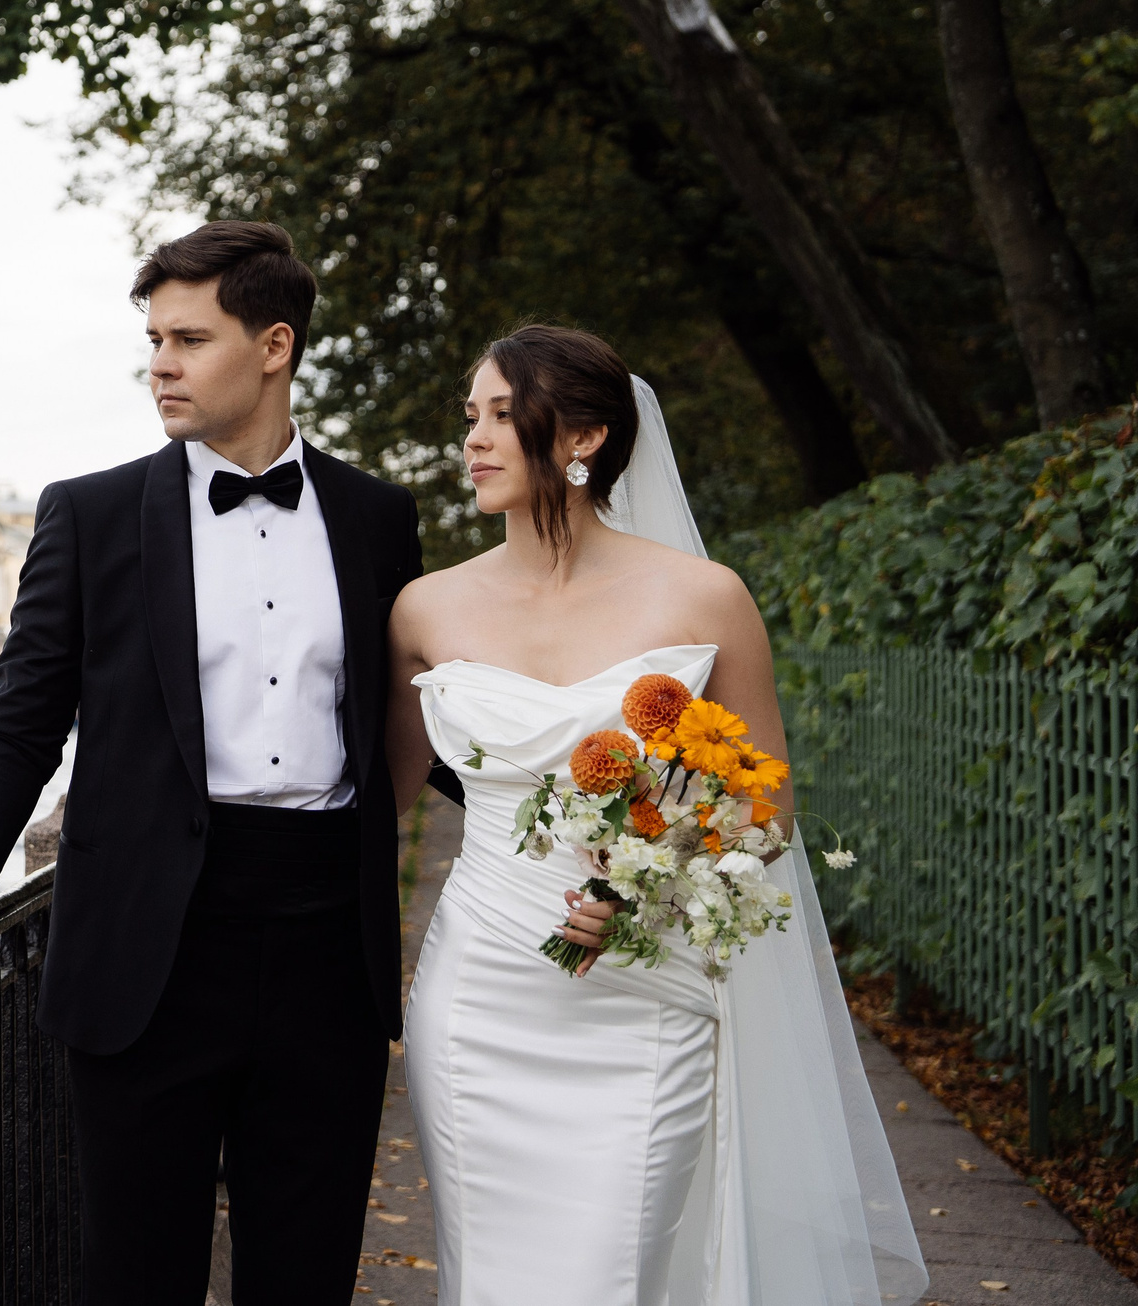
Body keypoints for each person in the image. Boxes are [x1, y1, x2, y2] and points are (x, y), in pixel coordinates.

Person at [0, 220, 431, 1305]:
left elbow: (427, 714)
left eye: (189, 337)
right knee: (135, 1275)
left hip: (323, 953)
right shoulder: (91, 512)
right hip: (147, 948)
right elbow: (20, 720)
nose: (158, 362)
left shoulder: (377, 517)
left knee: (305, 1276)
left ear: (274, 344)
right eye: (151, 338)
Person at [387, 325, 924, 1304]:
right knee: (488, 1274)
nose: (474, 437)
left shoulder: (705, 598)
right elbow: (370, 802)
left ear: (584, 435)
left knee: (615, 1269)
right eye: (470, 415)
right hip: (479, 996)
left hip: (643, 991)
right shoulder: (422, 608)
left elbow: (764, 802)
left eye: (503, 414)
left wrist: (652, 882)